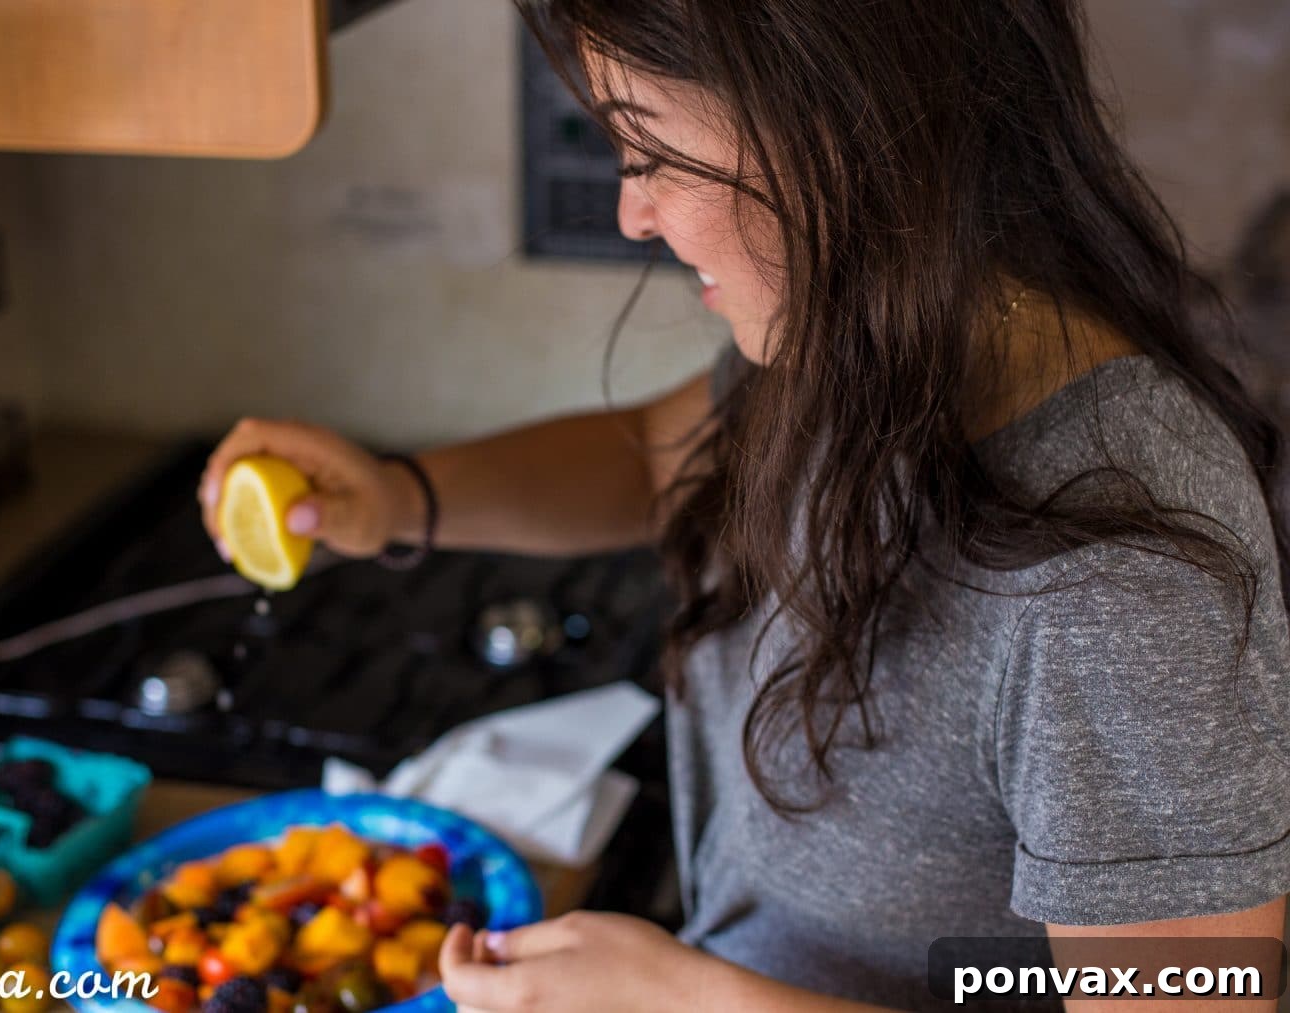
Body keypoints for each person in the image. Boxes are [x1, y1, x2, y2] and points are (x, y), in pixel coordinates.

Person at [199, 1, 1290, 1009]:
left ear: (846, 123)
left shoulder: (1123, 581)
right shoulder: (862, 345)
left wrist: (686, 998)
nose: (632, 209)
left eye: (653, 149)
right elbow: (652, 460)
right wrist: (399, 495)